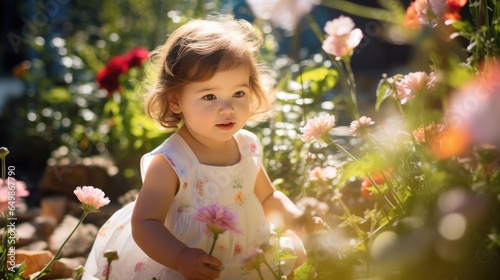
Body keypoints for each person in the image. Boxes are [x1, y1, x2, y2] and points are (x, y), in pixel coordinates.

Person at [84, 14, 321, 280]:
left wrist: (297, 218)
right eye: (209, 96)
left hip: (243, 252)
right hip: (185, 260)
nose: (227, 107)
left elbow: (268, 197)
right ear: (175, 100)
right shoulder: (171, 162)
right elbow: (145, 223)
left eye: (238, 94)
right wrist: (180, 257)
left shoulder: (247, 146)